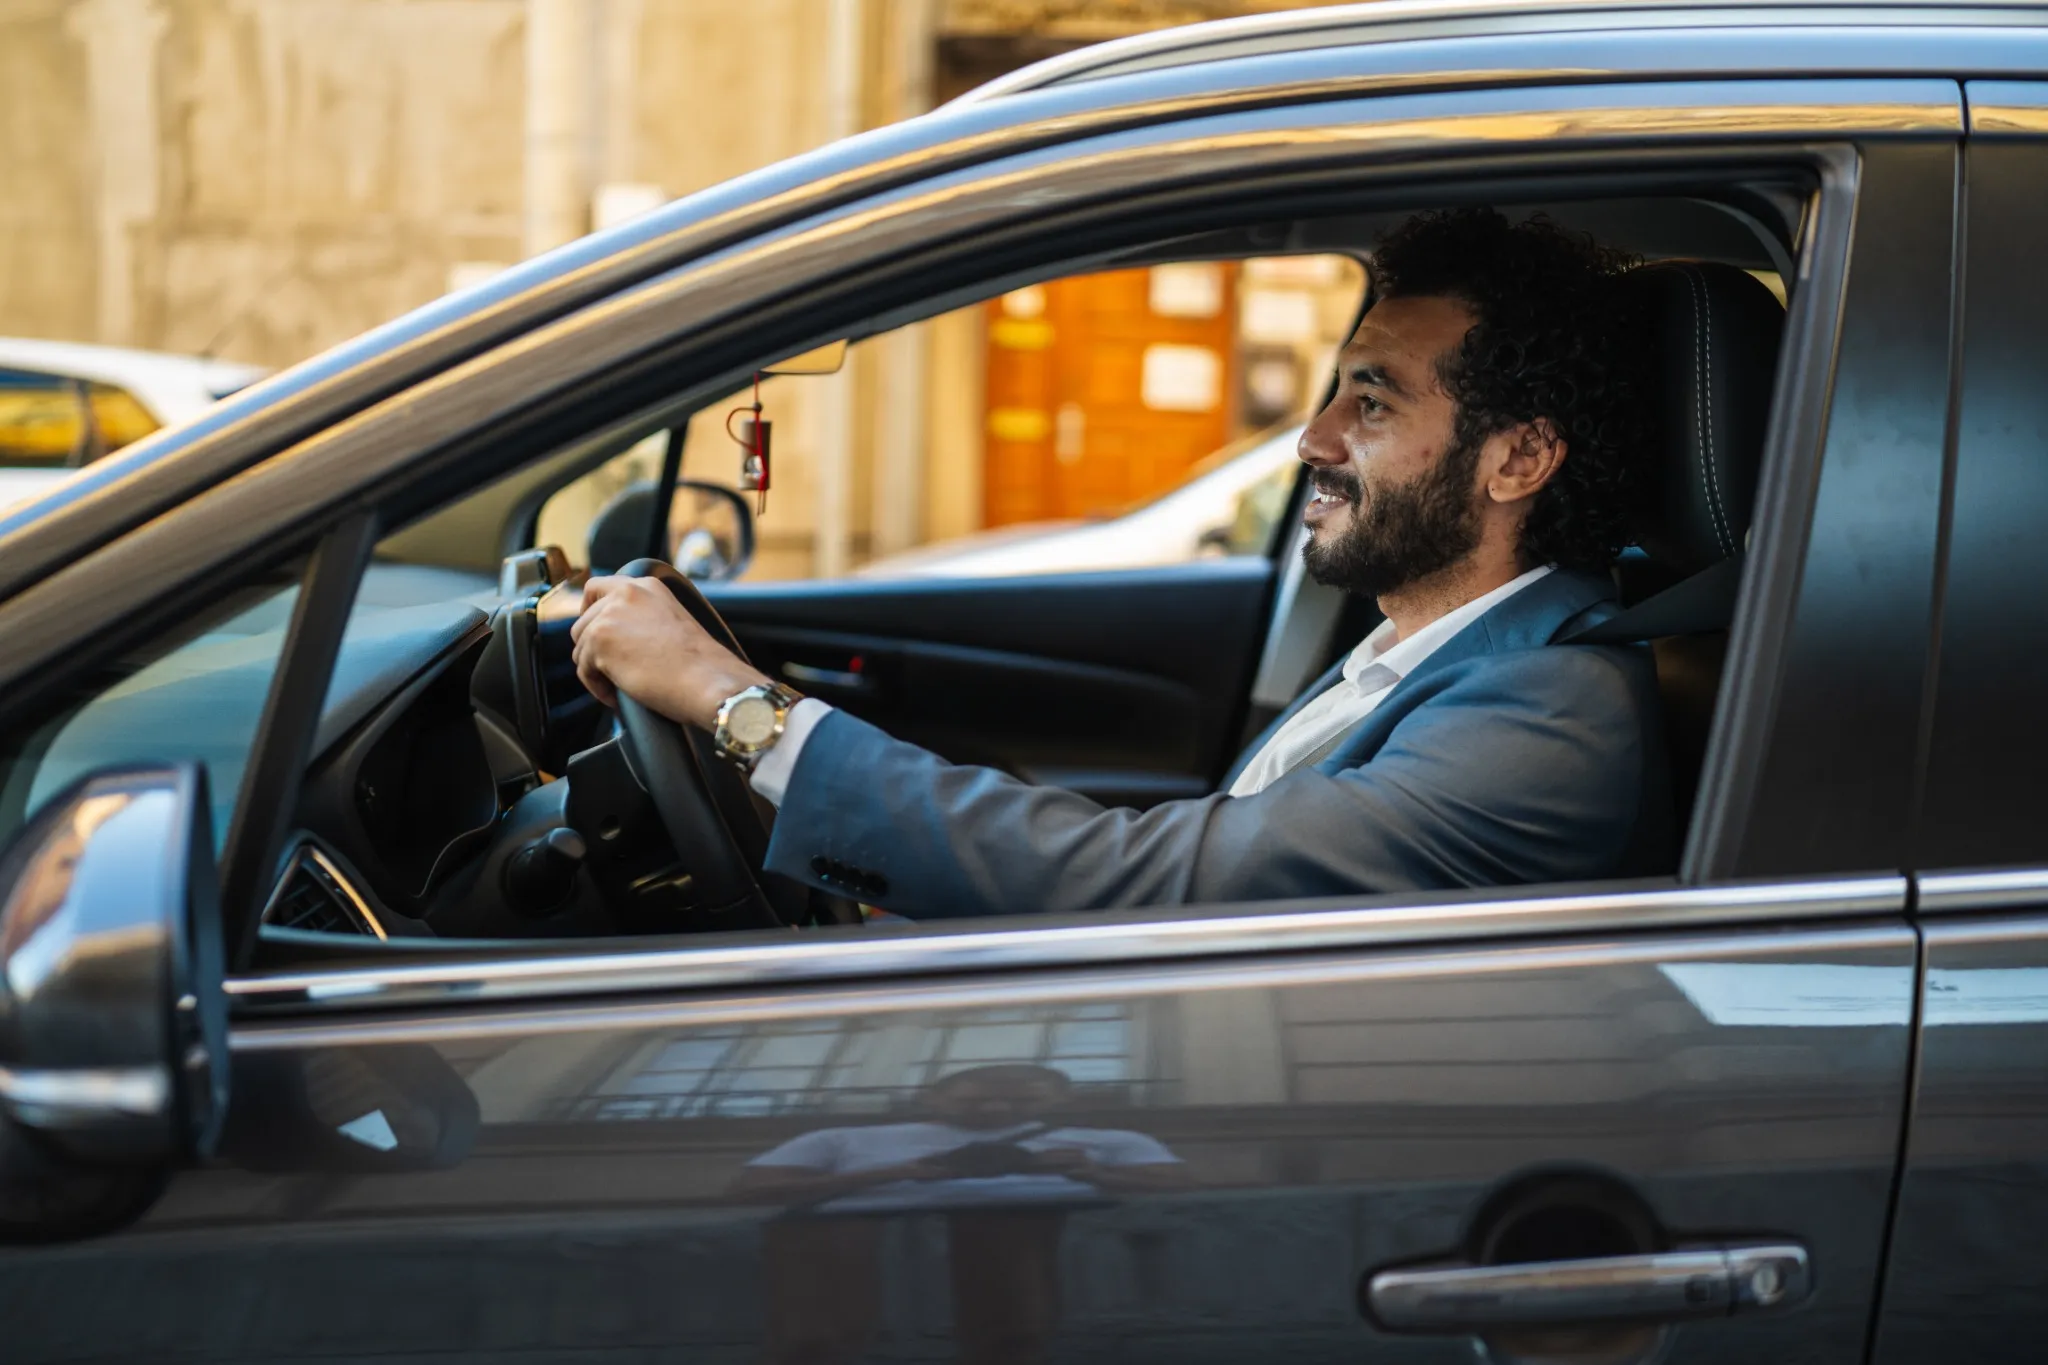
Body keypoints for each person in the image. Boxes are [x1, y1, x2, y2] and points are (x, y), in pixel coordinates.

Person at [570, 208, 1671, 918]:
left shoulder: (1551, 716)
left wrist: (731, 704)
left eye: (1371, 401)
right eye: (1335, 389)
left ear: (1517, 457)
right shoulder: (1424, 650)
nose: (1312, 440)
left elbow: (1147, 882)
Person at [731, 1065, 1186, 1365]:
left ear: (1058, 1101)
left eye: (1021, 1102)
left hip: (1053, 1254)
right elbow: (751, 1192)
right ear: (934, 1097)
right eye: (975, 1100)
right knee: (815, 1347)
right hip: (855, 1258)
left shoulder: (1111, 1140)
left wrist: (1094, 1172)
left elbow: (1180, 1188)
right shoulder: (843, 1139)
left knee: (1018, 1342)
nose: (996, 1109)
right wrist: (890, 1173)